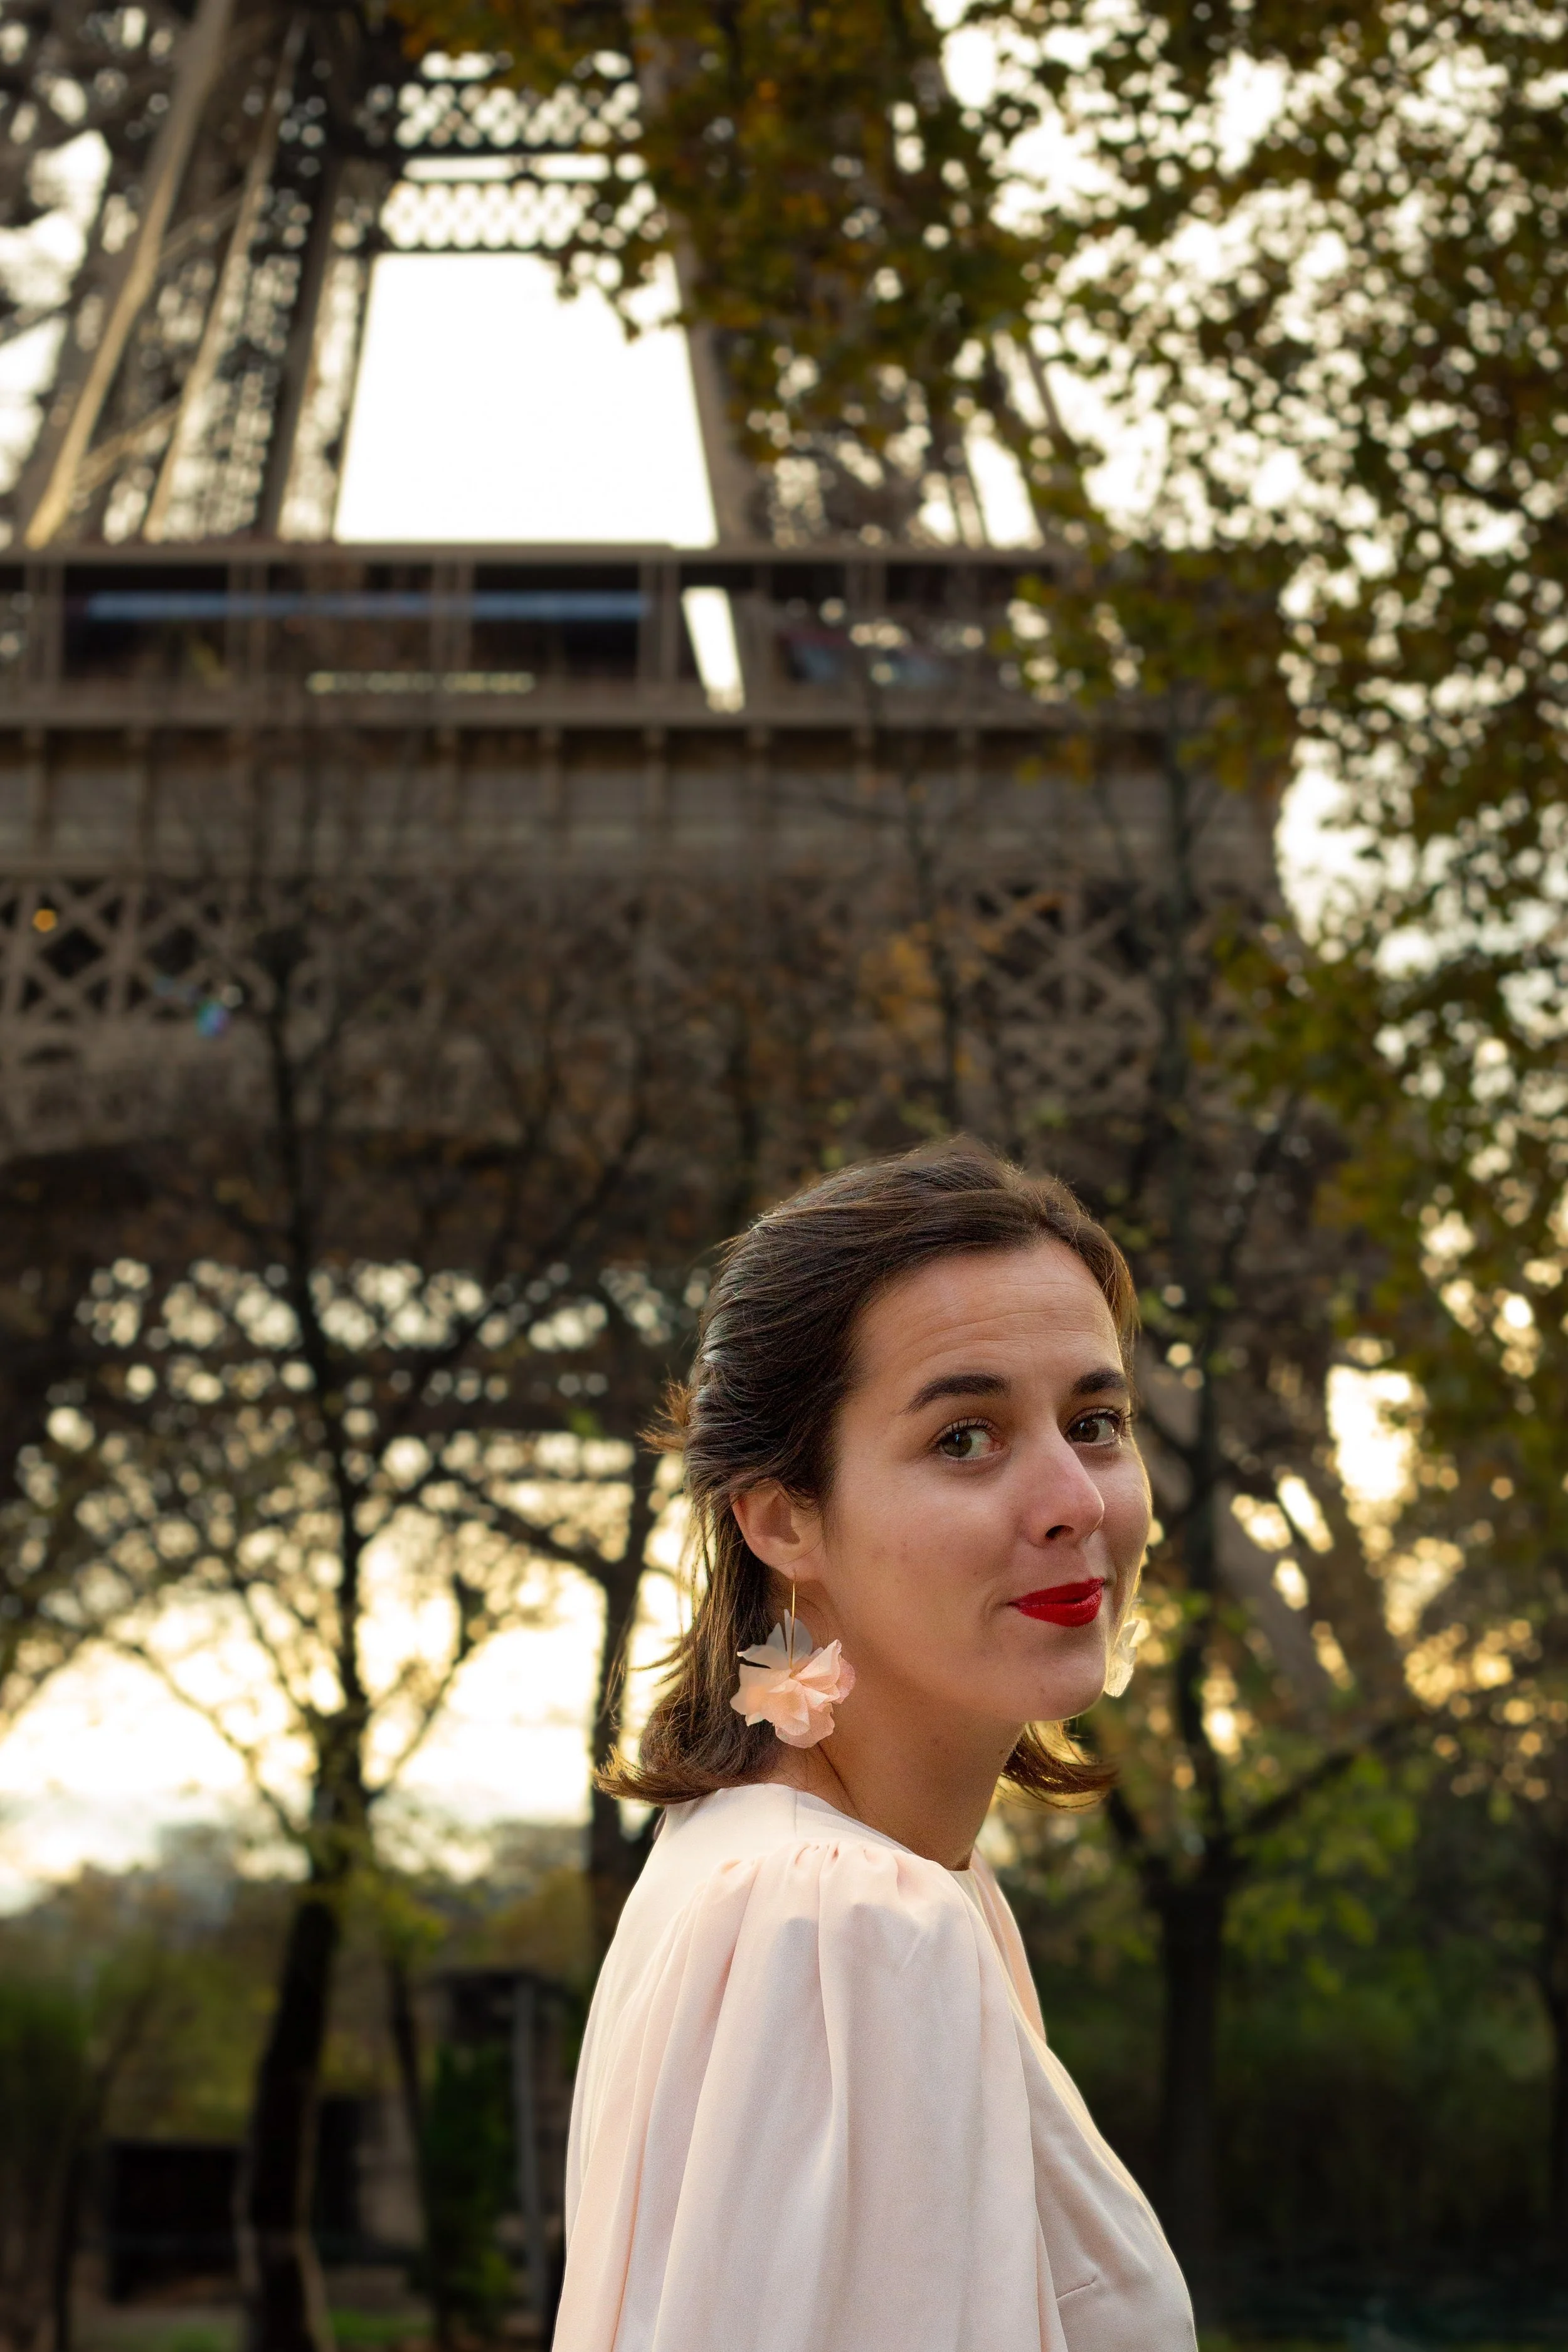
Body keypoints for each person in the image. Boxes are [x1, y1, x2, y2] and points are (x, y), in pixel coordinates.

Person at [554, 1138, 1195, 2352]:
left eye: (1097, 1420)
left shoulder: (778, 1870)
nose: (1074, 1497)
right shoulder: (844, 1924)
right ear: (784, 1517)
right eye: (967, 1436)